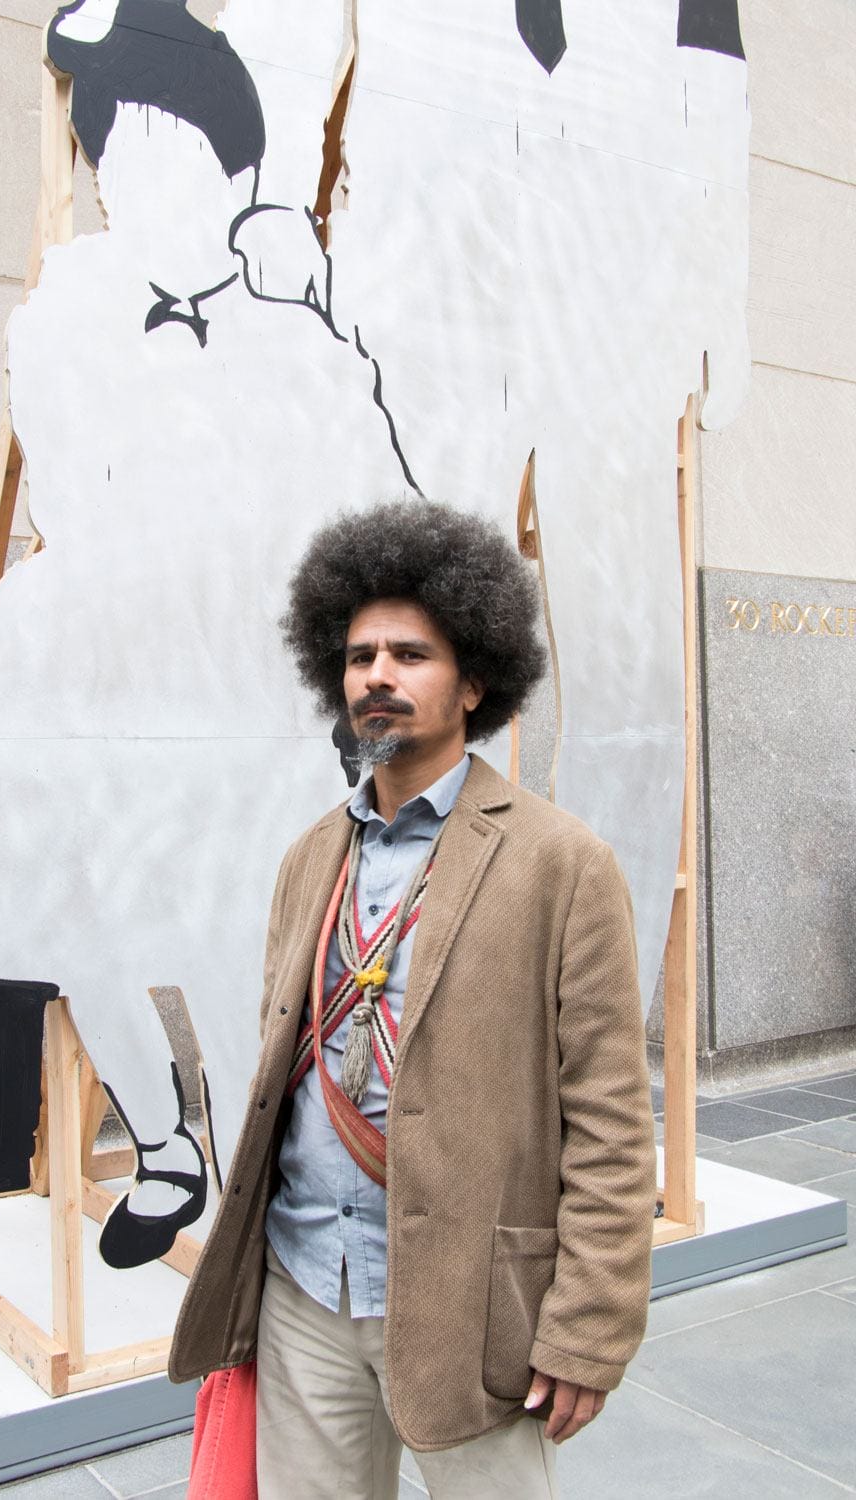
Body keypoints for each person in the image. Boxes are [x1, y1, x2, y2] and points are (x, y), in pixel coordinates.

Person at [169, 499, 657, 1499]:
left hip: (469, 1305)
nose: (376, 677)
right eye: (357, 658)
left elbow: (608, 1119)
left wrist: (589, 1324)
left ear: (474, 680)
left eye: (410, 655)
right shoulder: (311, 856)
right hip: (302, 1290)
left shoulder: (561, 862)